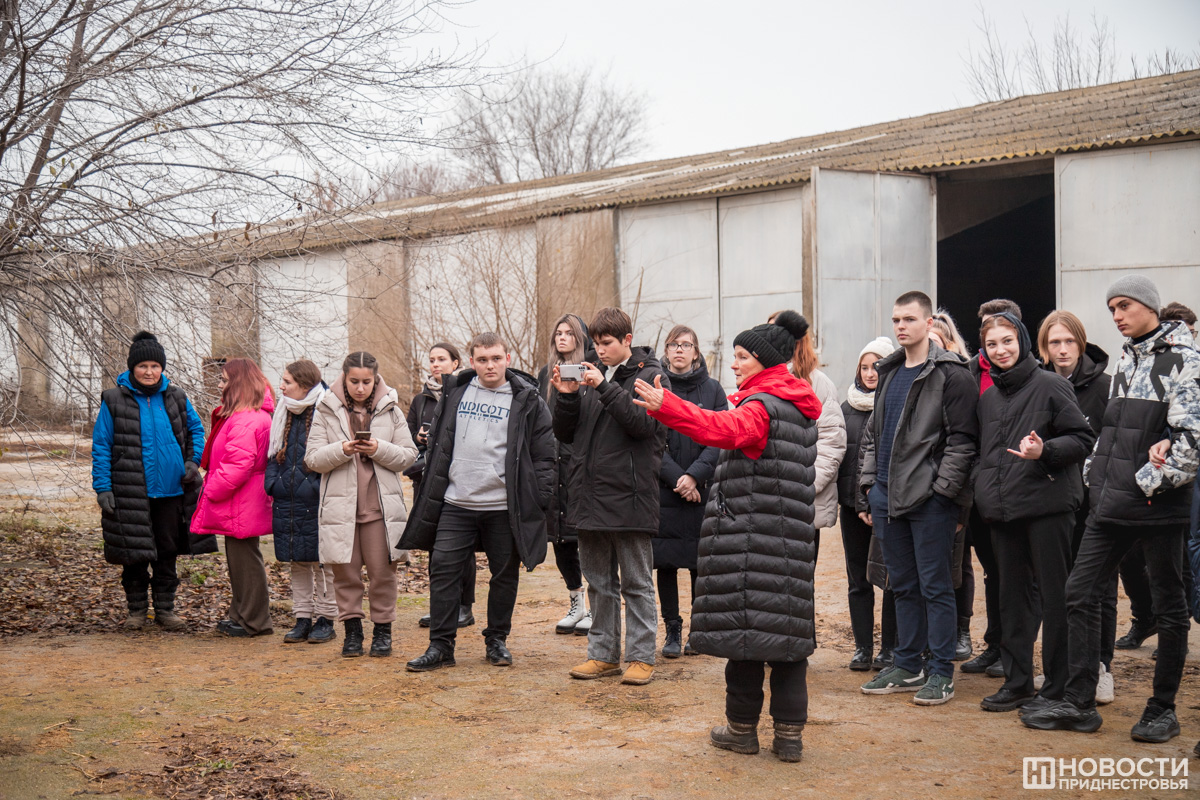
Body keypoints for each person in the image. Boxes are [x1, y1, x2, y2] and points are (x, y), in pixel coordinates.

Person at [633, 310, 821, 762]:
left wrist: (667, 407)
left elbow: (722, 429)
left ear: (764, 361)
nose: (733, 364)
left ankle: (741, 732)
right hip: (791, 544)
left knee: (746, 642)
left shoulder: (760, 407)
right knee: (788, 642)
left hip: (751, 545)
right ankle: (789, 739)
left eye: (741, 357)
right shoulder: (798, 404)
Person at [1023, 275, 1200, 743]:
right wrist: (1096, 477)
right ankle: (1079, 702)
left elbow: (1191, 440)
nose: (1117, 316)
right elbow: (1111, 429)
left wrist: (1145, 484)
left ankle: (1162, 710)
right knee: (1079, 592)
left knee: (1169, 606)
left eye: (1124, 306)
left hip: (1156, 503)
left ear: (1149, 306)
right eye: (1112, 309)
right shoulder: (1128, 357)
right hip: (1111, 500)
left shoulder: (1185, 359)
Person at [401, 332, 555, 671]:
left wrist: (539, 498)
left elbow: (545, 455)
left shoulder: (527, 399)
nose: (490, 366)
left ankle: (496, 640)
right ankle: (441, 646)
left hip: (503, 506)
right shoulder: (455, 391)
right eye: (482, 360)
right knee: (443, 569)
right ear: (472, 362)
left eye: (496, 358)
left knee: (504, 575)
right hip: (456, 502)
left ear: (507, 359)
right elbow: (439, 442)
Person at [858, 290, 978, 706]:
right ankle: (908, 665)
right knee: (903, 586)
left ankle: (941, 671)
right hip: (887, 499)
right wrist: (870, 487)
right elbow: (875, 434)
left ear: (929, 323)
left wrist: (943, 493)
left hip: (930, 502)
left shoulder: (951, 374)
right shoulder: (889, 371)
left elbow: (963, 442)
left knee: (936, 587)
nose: (901, 326)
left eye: (909, 319)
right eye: (896, 320)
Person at [973, 313, 1095, 713]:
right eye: (992, 344)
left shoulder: (1051, 385)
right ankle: (1018, 682)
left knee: (1056, 599)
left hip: (1048, 507)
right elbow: (985, 454)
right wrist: (982, 490)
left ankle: (1057, 687)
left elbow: (1082, 438)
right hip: (1003, 511)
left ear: (1022, 341)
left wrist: (1046, 451)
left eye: (1007, 341)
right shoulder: (988, 398)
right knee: (1012, 600)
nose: (1000, 350)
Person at [551, 307, 669, 686]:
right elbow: (565, 434)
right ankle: (602, 654)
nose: (599, 350)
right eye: (596, 344)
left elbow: (641, 426)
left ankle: (640, 656)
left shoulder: (651, 375)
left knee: (636, 583)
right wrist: (568, 397)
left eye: (607, 343)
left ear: (627, 340)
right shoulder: (589, 375)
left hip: (631, 496)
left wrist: (603, 386)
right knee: (599, 582)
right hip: (589, 495)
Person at [92, 331, 209, 630]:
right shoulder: (114, 399)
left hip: (171, 492)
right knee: (133, 555)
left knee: (167, 553)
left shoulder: (176, 397)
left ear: (162, 368)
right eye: (143, 366)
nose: (149, 372)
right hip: (129, 491)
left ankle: (165, 610)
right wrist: (103, 486)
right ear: (132, 368)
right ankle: (137, 611)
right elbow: (102, 445)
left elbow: (196, 431)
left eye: (155, 366)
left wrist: (192, 462)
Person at [305, 352, 418, 658]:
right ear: (344, 377)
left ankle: (383, 632)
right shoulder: (326, 408)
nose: (360, 388)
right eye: (354, 381)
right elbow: (312, 458)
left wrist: (378, 448)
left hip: (381, 510)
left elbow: (408, 455)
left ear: (375, 379)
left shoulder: (391, 408)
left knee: (383, 574)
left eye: (366, 382)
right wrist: (343, 449)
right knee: (346, 576)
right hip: (340, 510)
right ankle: (352, 633)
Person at [1036, 310, 1116, 704]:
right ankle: (1065, 666)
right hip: (1053, 499)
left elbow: (1113, 441)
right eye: (1055, 342)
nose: (1063, 349)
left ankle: (1100, 667)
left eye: (1069, 341)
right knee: (1060, 587)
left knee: (1099, 586)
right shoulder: (1039, 385)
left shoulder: (1104, 386)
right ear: (1044, 348)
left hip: (1096, 499)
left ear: (1081, 344)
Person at [653, 324, 727, 658]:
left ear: (696, 352)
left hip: (702, 491)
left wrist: (695, 477)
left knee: (701, 564)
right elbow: (652, 441)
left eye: (686, 345)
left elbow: (720, 437)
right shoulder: (657, 388)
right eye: (674, 344)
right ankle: (672, 629)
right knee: (666, 563)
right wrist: (679, 480)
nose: (680, 350)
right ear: (666, 351)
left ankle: (698, 630)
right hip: (666, 492)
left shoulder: (713, 390)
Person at [191, 358, 276, 637]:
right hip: (242, 499)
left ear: (239, 383)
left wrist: (211, 490)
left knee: (245, 561)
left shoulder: (245, 419)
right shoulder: (247, 415)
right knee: (240, 560)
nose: (219, 385)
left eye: (224, 380)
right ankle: (241, 616)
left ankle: (253, 621)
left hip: (241, 500)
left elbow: (238, 465)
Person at [959, 298, 1021, 676]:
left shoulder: (1033, 375)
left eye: (1004, 334)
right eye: (987, 334)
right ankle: (995, 645)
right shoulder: (968, 374)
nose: (996, 345)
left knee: (1015, 576)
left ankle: (1014, 652)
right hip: (980, 490)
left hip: (1016, 490)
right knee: (991, 573)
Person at [264, 359, 335, 644]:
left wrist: (314, 487)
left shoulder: (327, 409)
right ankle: (302, 617)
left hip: (317, 500)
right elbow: (273, 453)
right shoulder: (283, 410)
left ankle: (326, 619)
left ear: (304, 385)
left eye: (287, 381)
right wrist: (274, 483)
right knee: (298, 561)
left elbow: (333, 454)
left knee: (323, 562)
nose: (281, 386)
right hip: (287, 498)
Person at [770, 311, 847, 568]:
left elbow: (831, 442)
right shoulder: (757, 381)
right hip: (767, 500)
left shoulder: (818, 383)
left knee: (801, 576)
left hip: (803, 501)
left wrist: (805, 486)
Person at [408, 342, 477, 632]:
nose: (435, 364)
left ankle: (464, 607)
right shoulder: (420, 400)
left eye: (441, 359)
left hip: (458, 480)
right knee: (433, 547)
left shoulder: (467, 392)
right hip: (426, 481)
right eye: (432, 359)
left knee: (462, 546)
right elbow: (407, 439)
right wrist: (419, 438)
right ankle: (440, 607)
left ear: (456, 363)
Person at [839, 336, 897, 671]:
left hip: (886, 507)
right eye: (864, 367)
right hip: (852, 507)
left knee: (889, 579)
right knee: (857, 579)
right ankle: (862, 647)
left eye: (877, 366)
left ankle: (889, 648)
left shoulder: (895, 404)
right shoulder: (845, 408)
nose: (870, 373)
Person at [537, 315, 597, 636]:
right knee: (559, 538)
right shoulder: (546, 373)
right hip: (552, 462)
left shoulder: (592, 370)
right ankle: (577, 603)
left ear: (581, 338)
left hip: (581, 463)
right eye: (558, 333)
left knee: (584, 537)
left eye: (569, 333)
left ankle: (597, 606)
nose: (562, 338)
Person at [931, 308, 975, 661]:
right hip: (927, 488)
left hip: (955, 488)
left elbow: (963, 441)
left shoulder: (961, 377)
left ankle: (962, 631)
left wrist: (951, 494)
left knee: (960, 564)